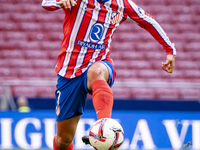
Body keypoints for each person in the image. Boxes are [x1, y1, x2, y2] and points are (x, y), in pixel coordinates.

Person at [42, 0, 176, 149]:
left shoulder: (122, 4)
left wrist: (170, 50)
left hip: (101, 62)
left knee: (96, 71)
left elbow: (148, 21)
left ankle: (104, 130)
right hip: (69, 72)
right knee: (63, 140)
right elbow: (46, 3)